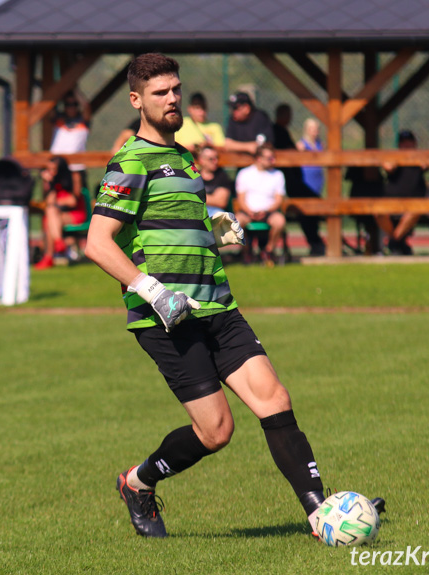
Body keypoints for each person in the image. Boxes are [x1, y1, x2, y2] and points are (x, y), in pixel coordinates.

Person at [85, 53, 383, 539]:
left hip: (218, 305)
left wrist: (210, 229)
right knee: (216, 432)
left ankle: (319, 513)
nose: (173, 99)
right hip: (167, 318)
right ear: (137, 100)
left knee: (274, 399)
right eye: (160, 93)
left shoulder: (184, 158)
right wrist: (149, 289)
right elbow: (98, 243)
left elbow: (168, 224)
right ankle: (137, 483)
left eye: (176, 89)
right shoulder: (129, 161)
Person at [273, 105, 325, 256]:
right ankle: (315, 243)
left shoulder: (284, 131)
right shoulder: (277, 131)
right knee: (305, 209)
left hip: (300, 182)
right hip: (291, 183)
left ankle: (316, 242)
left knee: (311, 208)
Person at [376, 130, 429, 256]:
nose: (406, 146)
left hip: (414, 202)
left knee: (414, 211)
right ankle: (398, 242)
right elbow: (388, 167)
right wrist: (401, 157)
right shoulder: (394, 158)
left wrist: (414, 157)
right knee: (378, 212)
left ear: (414, 144)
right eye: (403, 143)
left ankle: (394, 242)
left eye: (409, 143)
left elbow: (427, 164)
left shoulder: (420, 158)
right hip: (391, 201)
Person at [234, 143, 288, 264]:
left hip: (269, 212)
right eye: (269, 158)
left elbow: (279, 199)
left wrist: (267, 211)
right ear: (259, 158)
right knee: (236, 221)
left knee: (280, 222)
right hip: (248, 212)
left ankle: (268, 250)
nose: (273, 160)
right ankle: (247, 251)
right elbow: (241, 198)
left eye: (273, 157)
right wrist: (249, 211)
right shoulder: (244, 173)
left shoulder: (278, 175)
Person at [34, 156, 87, 269]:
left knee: (49, 217)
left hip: (75, 214)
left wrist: (57, 202)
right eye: (48, 169)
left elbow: (72, 201)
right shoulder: (52, 181)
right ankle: (58, 242)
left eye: (53, 169)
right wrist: (48, 183)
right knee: (50, 216)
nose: (51, 172)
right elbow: (48, 201)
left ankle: (49, 256)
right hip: (58, 214)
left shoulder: (74, 177)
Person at [50, 89, 91, 193]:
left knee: (80, 197)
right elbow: (51, 103)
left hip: (77, 167)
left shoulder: (83, 122)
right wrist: (63, 88)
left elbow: (86, 106)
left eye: (74, 104)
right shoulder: (58, 121)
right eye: (68, 104)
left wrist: (74, 88)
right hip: (57, 167)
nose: (71, 107)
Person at [344, 166, 385, 255]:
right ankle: (371, 245)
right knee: (368, 222)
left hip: (375, 195)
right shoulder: (356, 167)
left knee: (374, 220)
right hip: (360, 195)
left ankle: (375, 246)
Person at [194, 145, 233, 216]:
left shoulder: (222, 176)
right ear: (201, 160)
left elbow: (221, 202)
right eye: (211, 159)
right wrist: (212, 198)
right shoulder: (194, 176)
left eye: (217, 158)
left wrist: (196, 196)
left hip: (215, 212)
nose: (216, 161)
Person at [296, 118, 325, 196]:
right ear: (307, 129)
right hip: (306, 177)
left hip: (318, 177)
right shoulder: (301, 144)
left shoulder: (320, 144)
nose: (315, 131)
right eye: (312, 128)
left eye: (316, 128)